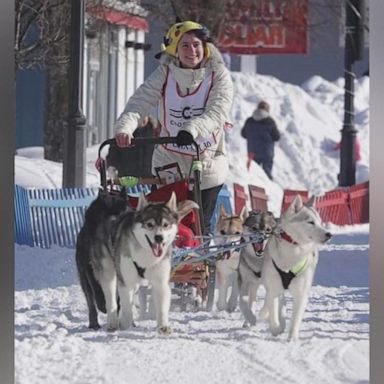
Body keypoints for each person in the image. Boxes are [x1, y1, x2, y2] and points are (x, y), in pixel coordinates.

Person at [113, 21, 234, 234]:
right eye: (185, 45)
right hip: (169, 163)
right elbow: (138, 103)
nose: (192, 51)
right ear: (174, 50)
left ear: (205, 47)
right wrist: (125, 128)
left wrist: (191, 129)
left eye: (196, 44)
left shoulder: (218, 75)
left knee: (198, 226)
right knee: (161, 223)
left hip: (206, 161)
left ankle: (199, 262)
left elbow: (217, 112)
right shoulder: (165, 74)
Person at [241, 100, 280, 180]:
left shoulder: (249, 120)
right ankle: (269, 190)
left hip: (252, 152)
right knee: (266, 174)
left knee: (253, 175)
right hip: (266, 153)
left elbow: (243, 134)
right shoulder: (270, 121)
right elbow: (276, 136)